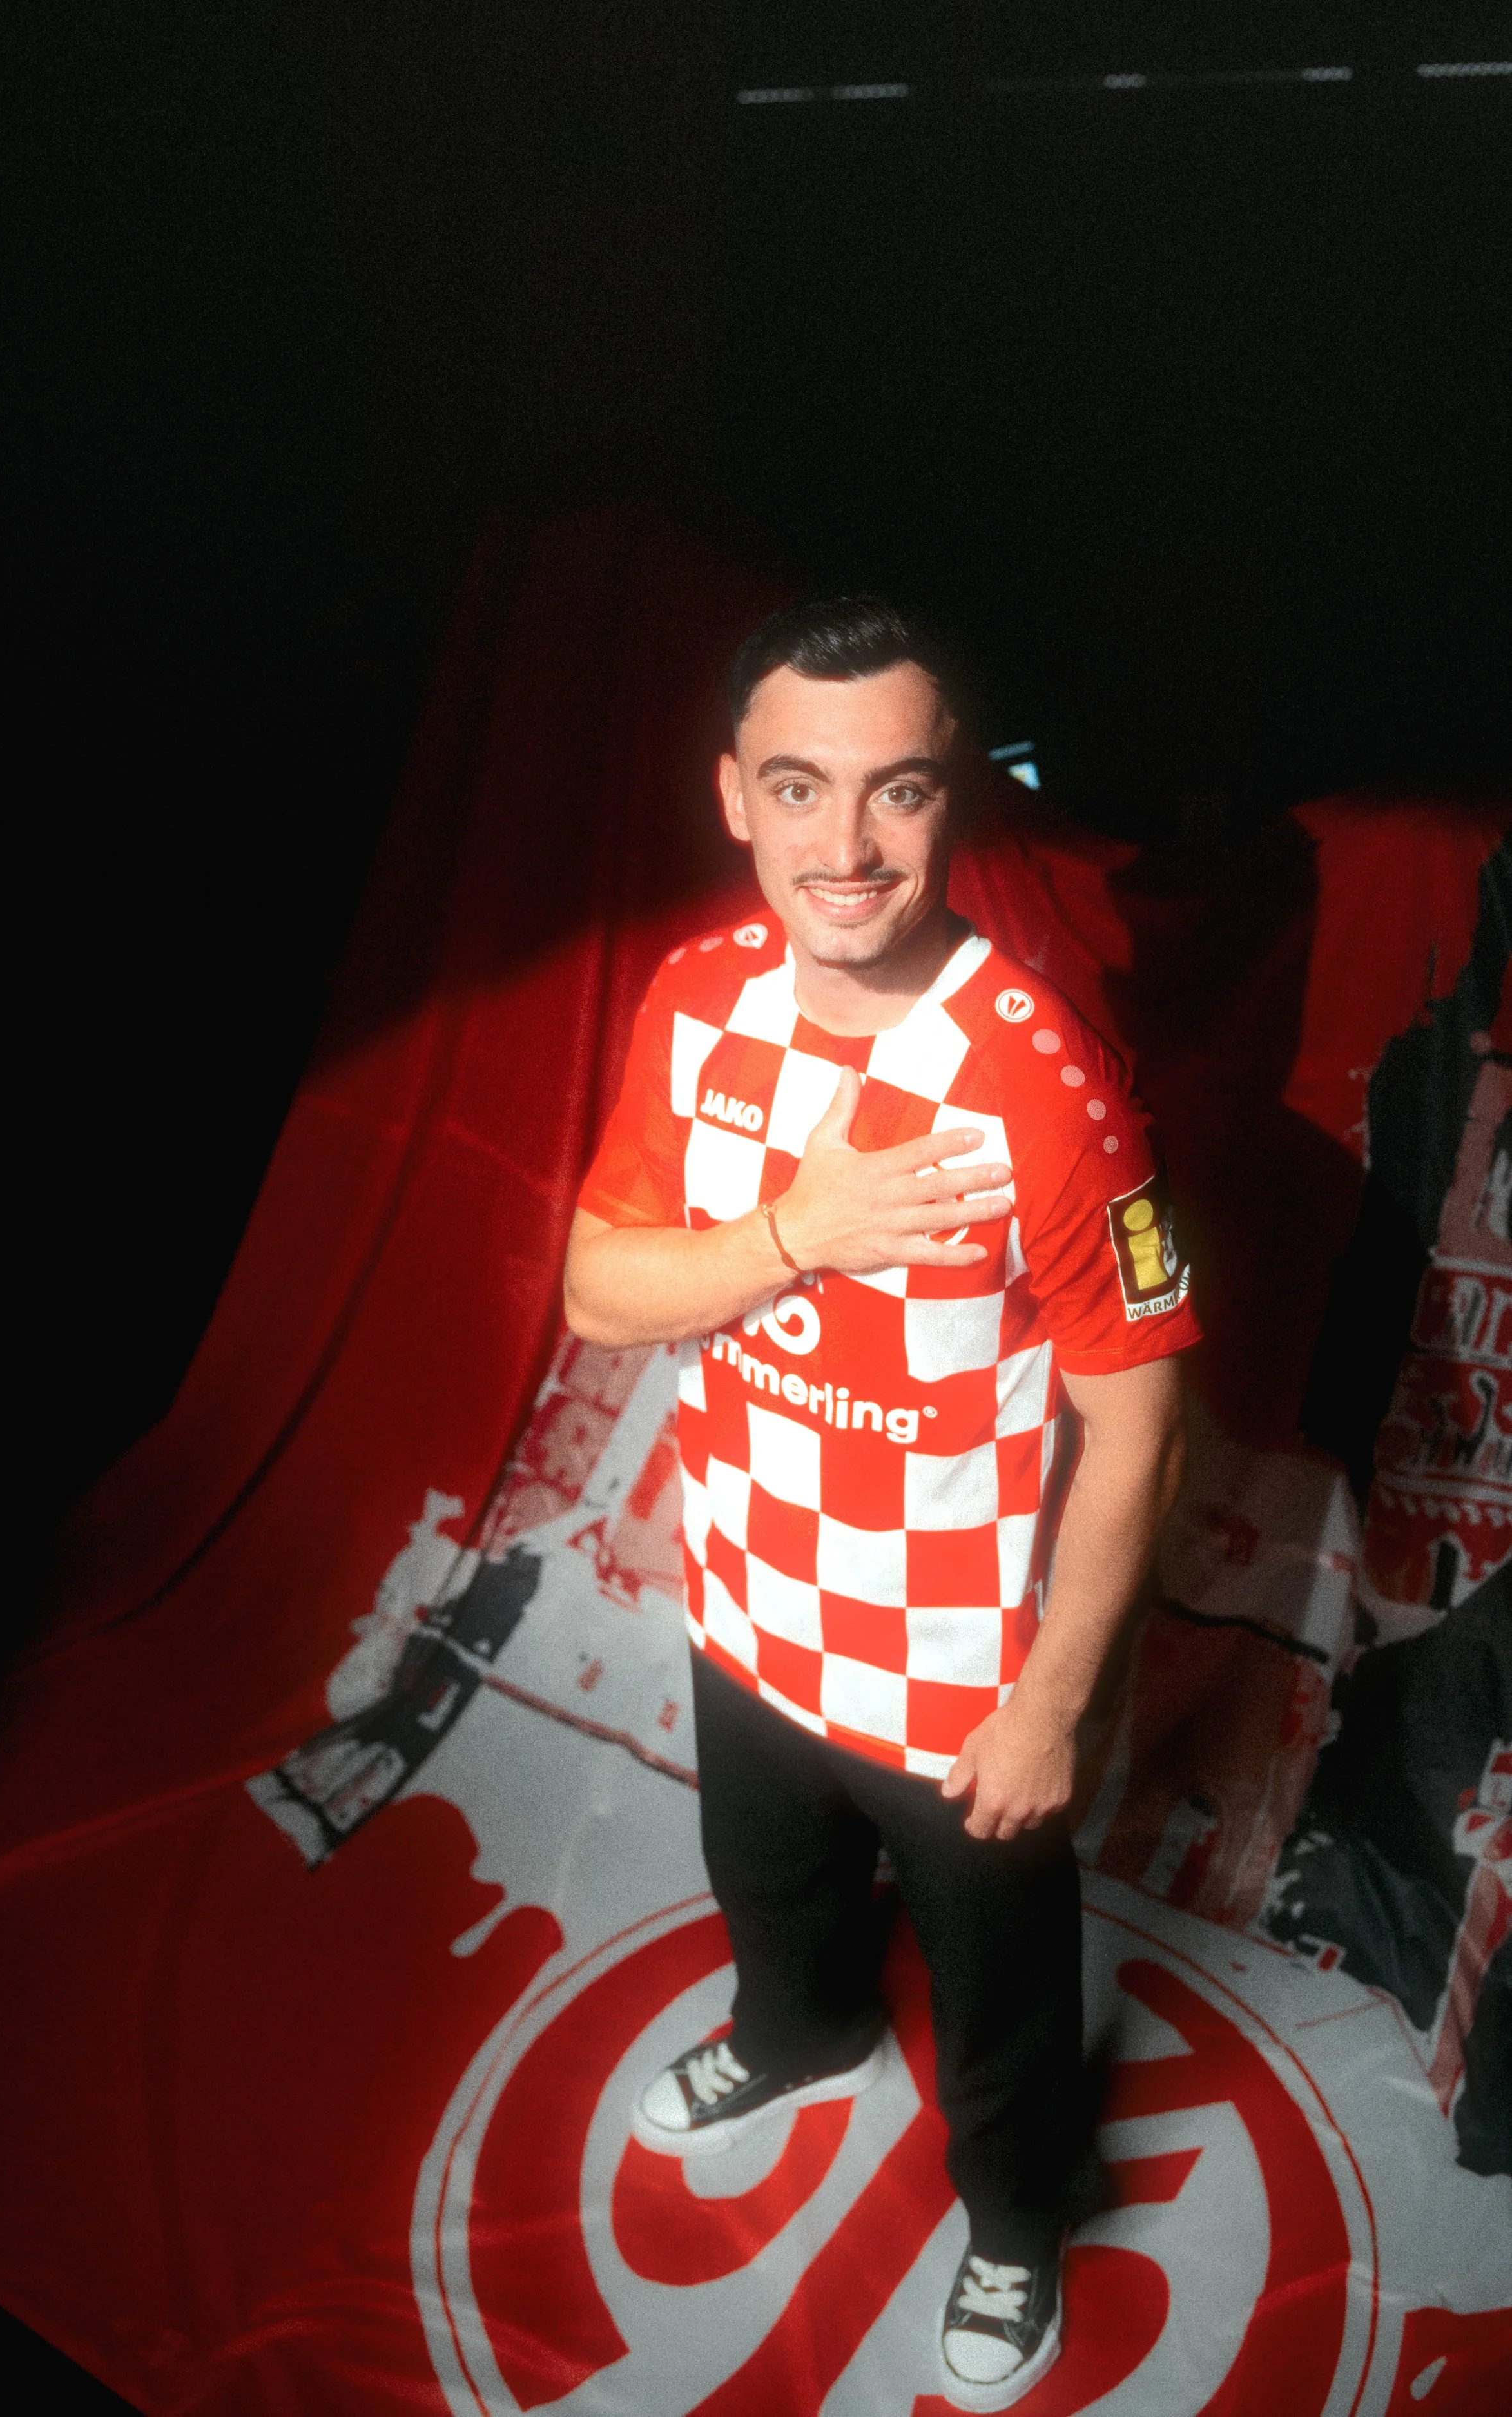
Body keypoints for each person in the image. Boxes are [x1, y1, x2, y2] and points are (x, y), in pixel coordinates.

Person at [563, 596, 1198, 2411]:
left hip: (950, 1687)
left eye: (896, 790)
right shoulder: (690, 1002)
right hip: (746, 1606)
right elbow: (599, 1292)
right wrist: (796, 1236)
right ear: (733, 799)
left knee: (1003, 2012)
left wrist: (1051, 1697)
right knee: (767, 1896)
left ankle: (1013, 2218)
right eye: (798, 787)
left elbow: (1138, 1417)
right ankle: (796, 2030)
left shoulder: (1048, 1082)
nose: (843, 848)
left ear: (953, 803)